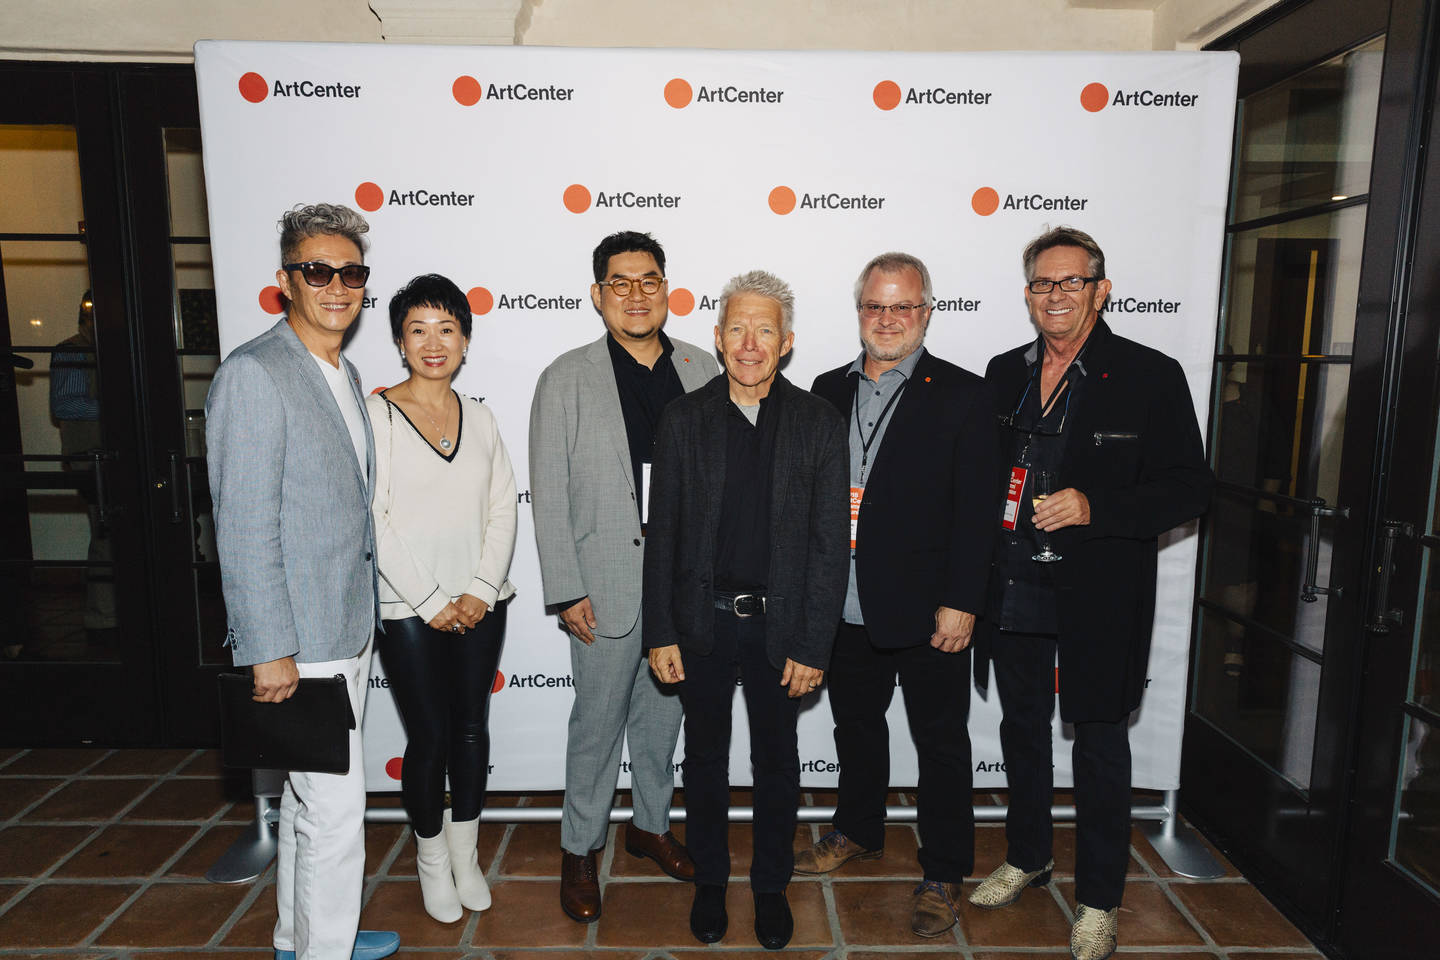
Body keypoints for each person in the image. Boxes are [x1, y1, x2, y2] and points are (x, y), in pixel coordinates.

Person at [969, 226, 1212, 960]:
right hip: (1014, 583)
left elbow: (1190, 488)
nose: (1056, 296)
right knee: (1021, 730)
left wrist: (1094, 507)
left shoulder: (1149, 374)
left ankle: (1100, 899)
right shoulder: (1004, 371)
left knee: (1100, 745)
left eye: (1071, 282)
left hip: (1098, 595)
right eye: (1043, 283)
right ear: (1027, 294)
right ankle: (1028, 856)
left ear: (1101, 290)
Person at [206, 203, 398, 960]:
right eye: (318, 271)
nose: (337, 286)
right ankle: (325, 950)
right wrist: (268, 648)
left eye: (351, 273)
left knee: (307, 795)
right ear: (285, 281)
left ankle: (300, 936)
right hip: (299, 638)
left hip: (343, 622)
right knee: (335, 811)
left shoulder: (343, 371)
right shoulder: (255, 374)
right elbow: (243, 525)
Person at [643, 270, 848, 950]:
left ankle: (769, 887)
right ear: (717, 337)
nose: (750, 343)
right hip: (700, 623)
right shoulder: (683, 419)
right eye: (737, 328)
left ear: (786, 342)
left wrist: (814, 644)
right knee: (703, 761)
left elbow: (829, 546)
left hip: (781, 626)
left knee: (777, 763)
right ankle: (710, 881)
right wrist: (660, 630)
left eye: (764, 330)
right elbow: (662, 535)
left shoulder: (819, 422)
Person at [804, 252, 999, 938]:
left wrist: (964, 599)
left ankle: (943, 870)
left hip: (929, 609)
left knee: (941, 743)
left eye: (903, 306)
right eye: (875, 306)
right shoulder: (826, 389)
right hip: (844, 602)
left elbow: (978, 511)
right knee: (855, 727)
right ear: (860, 311)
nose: (888, 319)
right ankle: (858, 828)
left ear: (926, 312)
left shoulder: (965, 394)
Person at [529, 230, 719, 922]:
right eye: (620, 282)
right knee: (597, 725)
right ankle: (580, 848)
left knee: (663, 720)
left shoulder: (702, 368)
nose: (635, 294)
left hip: (683, 585)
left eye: (648, 281)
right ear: (597, 294)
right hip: (603, 584)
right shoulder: (565, 377)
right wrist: (565, 587)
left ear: (667, 289)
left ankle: (650, 827)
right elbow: (548, 491)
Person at [367, 274, 517, 923]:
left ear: (465, 340)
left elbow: (503, 506)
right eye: (419, 329)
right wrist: (432, 600)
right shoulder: (376, 415)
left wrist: (480, 590)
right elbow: (373, 518)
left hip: (481, 603)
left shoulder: (481, 417)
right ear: (400, 341)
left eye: (447, 329)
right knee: (428, 736)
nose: (434, 343)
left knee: (471, 729)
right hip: (407, 609)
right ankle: (431, 861)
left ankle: (466, 856)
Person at [49, 289, 115, 637]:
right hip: (92, 457)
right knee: (107, 536)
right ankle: (103, 617)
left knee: (118, 536)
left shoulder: (110, 350)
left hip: (111, 455)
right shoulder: (72, 351)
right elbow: (64, 405)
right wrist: (118, 408)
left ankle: (116, 614)